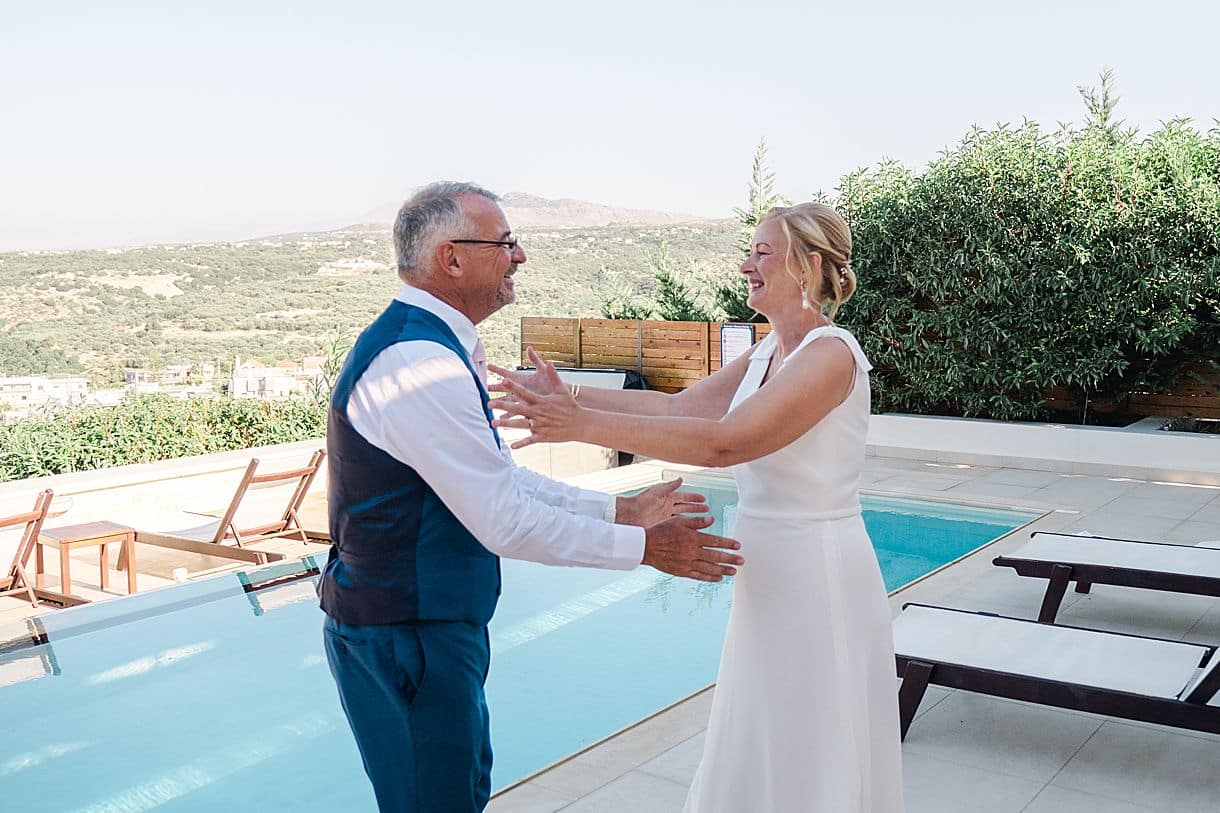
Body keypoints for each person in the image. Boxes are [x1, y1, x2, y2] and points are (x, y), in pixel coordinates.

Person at [318, 181, 744, 813]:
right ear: (451, 259)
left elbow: (500, 479)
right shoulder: (416, 362)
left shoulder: (434, 345)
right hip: (404, 634)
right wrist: (644, 548)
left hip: (428, 628)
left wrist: (619, 509)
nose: (519, 257)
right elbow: (503, 520)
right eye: (506, 242)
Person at [490, 202, 904, 812]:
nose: (746, 265)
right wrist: (573, 396)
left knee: (813, 729)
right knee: (765, 724)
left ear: (809, 264)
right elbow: (681, 411)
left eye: (762, 253)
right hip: (765, 568)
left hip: (818, 574)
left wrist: (578, 425)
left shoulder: (830, 354)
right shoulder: (767, 352)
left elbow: (724, 442)